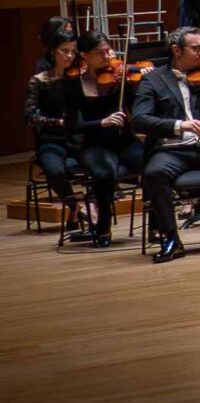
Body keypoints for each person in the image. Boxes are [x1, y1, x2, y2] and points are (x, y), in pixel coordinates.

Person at [130, 27, 200, 262]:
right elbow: (140, 120)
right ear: (176, 50)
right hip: (172, 149)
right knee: (154, 173)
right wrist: (179, 125)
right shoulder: (153, 80)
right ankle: (171, 237)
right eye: (196, 48)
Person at [59, 32, 145, 246]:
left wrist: (136, 83)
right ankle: (103, 226)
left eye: (108, 51)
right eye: (100, 53)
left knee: (152, 163)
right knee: (103, 173)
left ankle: (156, 227)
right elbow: (72, 126)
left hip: (124, 140)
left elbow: (137, 110)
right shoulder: (73, 84)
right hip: (94, 143)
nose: (107, 57)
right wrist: (101, 123)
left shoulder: (119, 77)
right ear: (85, 56)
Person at [26, 24, 84, 233]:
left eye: (73, 51)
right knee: (54, 170)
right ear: (53, 51)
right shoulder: (39, 81)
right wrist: (58, 122)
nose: (70, 56)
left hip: (78, 138)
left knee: (100, 161)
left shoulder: (79, 79)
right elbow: (31, 116)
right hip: (51, 140)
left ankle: (97, 211)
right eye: (64, 51)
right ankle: (74, 206)